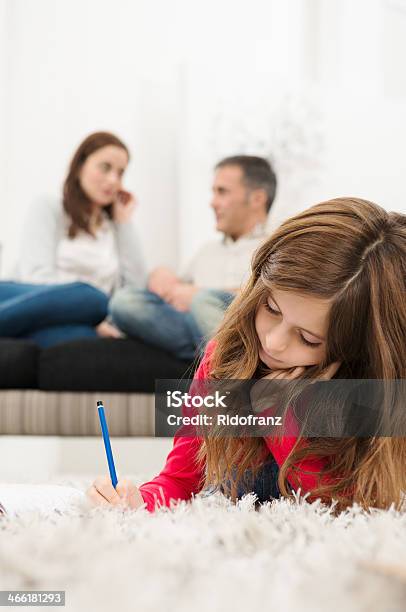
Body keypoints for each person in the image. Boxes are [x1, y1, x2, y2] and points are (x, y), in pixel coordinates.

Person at [88, 197, 406, 513]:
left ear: (355, 350)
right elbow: (179, 481)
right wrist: (140, 500)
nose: (274, 341)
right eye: (271, 308)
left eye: (308, 338)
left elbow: (348, 511)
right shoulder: (225, 358)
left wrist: (277, 418)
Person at [109, 155, 277, 361]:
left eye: (222, 192)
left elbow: (277, 299)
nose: (212, 203)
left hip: (247, 332)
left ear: (257, 199)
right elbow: (177, 287)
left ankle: (227, 362)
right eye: (213, 192)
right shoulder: (207, 250)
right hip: (197, 330)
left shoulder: (278, 245)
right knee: (126, 301)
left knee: (203, 302)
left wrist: (198, 295)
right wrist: (161, 275)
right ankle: (217, 361)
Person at [0, 131, 146, 347]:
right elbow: (36, 275)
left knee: (87, 339)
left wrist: (124, 223)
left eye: (120, 173)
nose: (113, 180)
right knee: (92, 298)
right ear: (80, 166)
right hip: (23, 298)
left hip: (82, 320)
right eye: (105, 167)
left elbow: (134, 291)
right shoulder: (49, 207)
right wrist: (81, 309)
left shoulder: (113, 229)